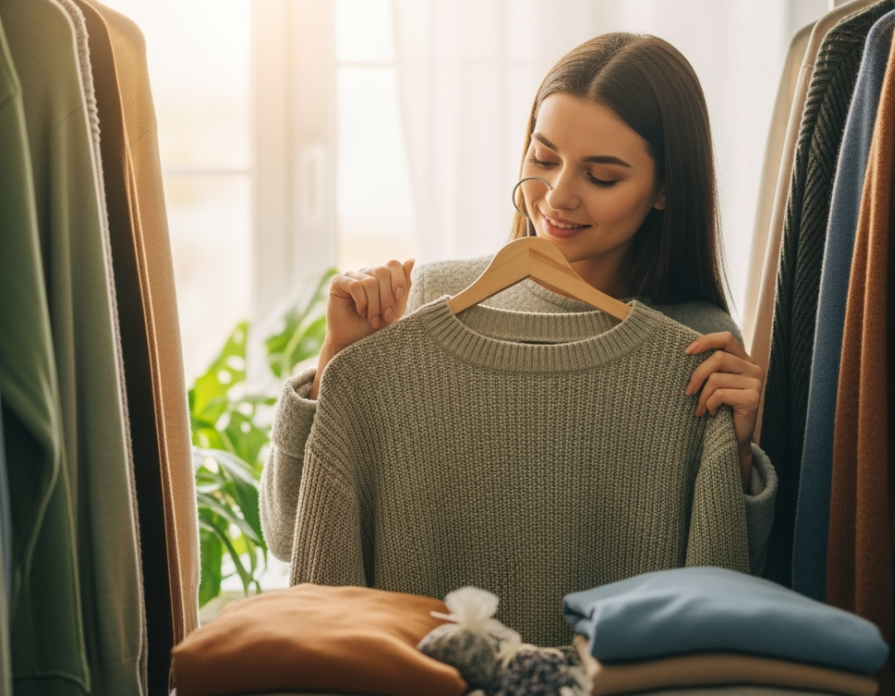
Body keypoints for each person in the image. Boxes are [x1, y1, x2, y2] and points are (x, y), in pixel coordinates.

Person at [261, 32, 777, 576]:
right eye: (544, 157)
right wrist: (337, 362)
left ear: (666, 188)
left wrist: (737, 458)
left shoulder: (699, 345)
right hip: (418, 661)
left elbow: (726, 592)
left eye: (601, 176)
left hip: (601, 664)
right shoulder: (432, 297)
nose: (557, 197)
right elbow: (290, 534)